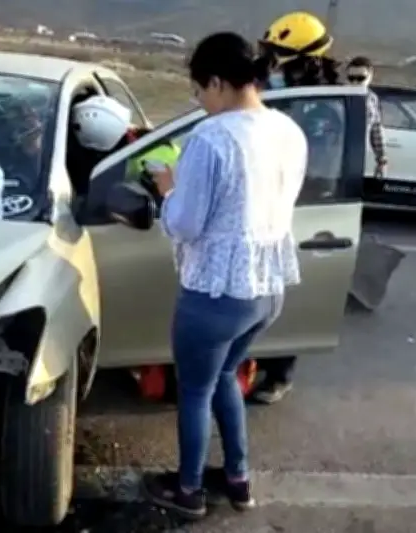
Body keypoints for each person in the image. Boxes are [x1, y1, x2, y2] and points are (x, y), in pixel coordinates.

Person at [139, 31, 307, 520]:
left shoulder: (211, 138)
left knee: (194, 390)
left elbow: (186, 225)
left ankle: (188, 491)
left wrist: (167, 189)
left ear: (216, 82)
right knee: (227, 378)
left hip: (215, 291)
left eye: (198, 90)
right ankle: (238, 480)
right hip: (266, 288)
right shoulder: (286, 129)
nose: (199, 101)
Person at [249, 10, 341, 405]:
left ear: (305, 61)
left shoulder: (322, 110)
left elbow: (314, 170)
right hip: (266, 204)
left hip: (301, 209)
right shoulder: (283, 96)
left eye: (276, 58)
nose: (269, 66)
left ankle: (280, 372)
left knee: (282, 297)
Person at [345, 55, 387, 177]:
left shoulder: (372, 99)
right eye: (351, 78)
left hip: (358, 158)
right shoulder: (338, 98)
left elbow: (376, 130)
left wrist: (382, 160)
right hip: (335, 158)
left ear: (370, 76)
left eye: (360, 78)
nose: (355, 83)